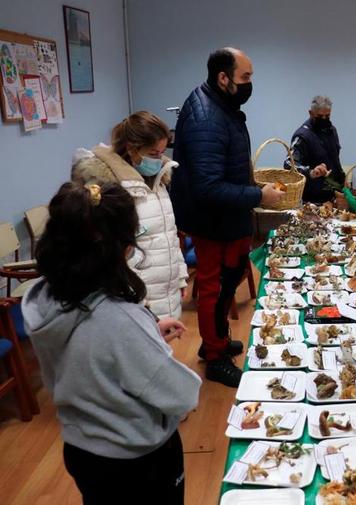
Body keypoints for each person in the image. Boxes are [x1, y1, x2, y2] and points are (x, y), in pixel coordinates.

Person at [23, 182, 201, 505]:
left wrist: (144, 332)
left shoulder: (47, 300)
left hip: (82, 449)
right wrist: (140, 337)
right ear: (121, 249)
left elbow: (88, 351)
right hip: (138, 460)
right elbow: (182, 393)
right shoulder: (120, 321)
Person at [170, 47, 284, 387]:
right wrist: (259, 196)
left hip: (227, 220)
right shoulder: (207, 116)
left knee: (226, 283)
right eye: (245, 78)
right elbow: (207, 188)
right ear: (223, 78)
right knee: (214, 288)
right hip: (212, 223)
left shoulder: (221, 105)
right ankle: (216, 357)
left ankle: (215, 341)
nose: (250, 84)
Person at [71, 111, 187, 320]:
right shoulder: (111, 189)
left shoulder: (158, 179)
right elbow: (109, 254)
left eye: (162, 152)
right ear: (132, 149)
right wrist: (136, 298)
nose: (159, 159)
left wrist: (179, 278)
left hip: (164, 292)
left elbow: (169, 233)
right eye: (153, 153)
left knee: (161, 349)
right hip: (137, 298)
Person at [286, 95, 345, 204]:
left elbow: (335, 159)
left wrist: (341, 180)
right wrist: (311, 172)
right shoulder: (302, 136)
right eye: (320, 116)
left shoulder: (332, 131)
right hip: (311, 200)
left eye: (327, 116)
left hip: (333, 195)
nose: (324, 119)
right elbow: (289, 164)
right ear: (311, 113)